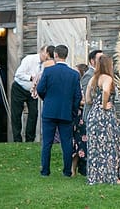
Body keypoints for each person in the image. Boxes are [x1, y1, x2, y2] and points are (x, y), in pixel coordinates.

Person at [35, 44, 81, 177]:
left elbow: (40, 89)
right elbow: (77, 96)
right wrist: (73, 110)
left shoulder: (49, 71)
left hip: (49, 110)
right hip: (66, 111)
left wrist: (47, 99)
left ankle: (45, 171)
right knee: (66, 142)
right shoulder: (74, 74)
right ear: (66, 56)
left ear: (55, 55)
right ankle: (67, 171)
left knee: (47, 143)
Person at [84, 54, 120, 185]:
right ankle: (112, 176)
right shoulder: (107, 78)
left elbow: (87, 97)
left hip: (93, 115)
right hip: (105, 116)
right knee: (109, 145)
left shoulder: (93, 78)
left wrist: (92, 101)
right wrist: (104, 104)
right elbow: (106, 91)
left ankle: (97, 176)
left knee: (95, 147)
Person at [11, 46, 45, 143]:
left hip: (33, 90)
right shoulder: (29, 59)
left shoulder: (46, 64)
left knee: (34, 113)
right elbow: (18, 74)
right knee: (16, 114)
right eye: (46, 54)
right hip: (19, 88)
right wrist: (31, 78)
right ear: (42, 52)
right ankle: (17, 139)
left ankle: (30, 139)